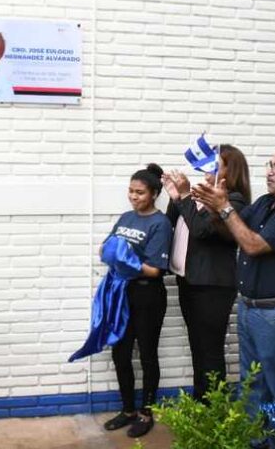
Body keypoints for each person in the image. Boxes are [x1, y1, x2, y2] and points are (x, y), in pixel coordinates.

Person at [192, 144, 275, 449]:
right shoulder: (265, 202)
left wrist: (224, 208)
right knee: (252, 385)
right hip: (249, 307)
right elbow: (235, 224)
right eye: (269, 164)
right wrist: (214, 202)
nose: (269, 172)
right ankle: (254, 441)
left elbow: (252, 244)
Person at [162, 144, 251, 400]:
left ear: (229, 170)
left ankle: (213, 408)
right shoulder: (200, 196)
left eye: (216, 162)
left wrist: (186, 197)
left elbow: (202, 230)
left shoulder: (233, 201)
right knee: (197, 348)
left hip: (212, 287)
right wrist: (175, 196)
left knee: (210, 350)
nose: (207, 166)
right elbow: (174, 222)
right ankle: (201, 401)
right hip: (189, 282)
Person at [102, 164, 172, 439]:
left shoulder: (160, 224)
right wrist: (115, 254)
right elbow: (106, 249)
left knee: (147, 354)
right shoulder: (125, 218)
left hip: (147, 295)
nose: (133, 196)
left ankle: (146, 412)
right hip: (121, 293)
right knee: (119, 352)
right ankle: (128, 409)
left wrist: (123, 258)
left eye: (140, 192)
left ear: (154, 193)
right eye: (130, 191)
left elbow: (155, 269)